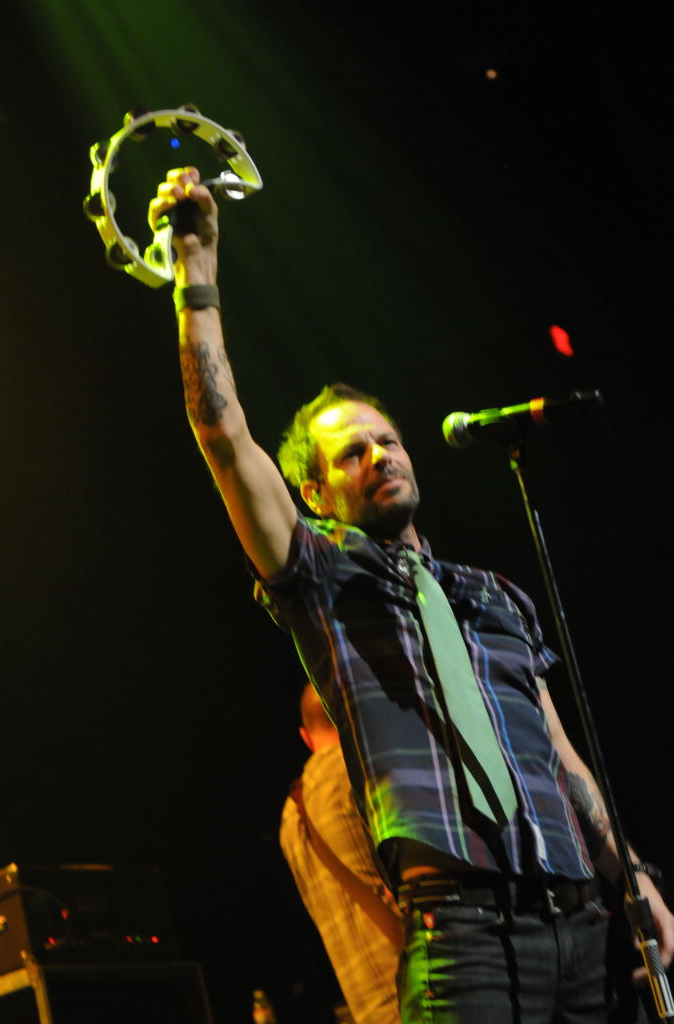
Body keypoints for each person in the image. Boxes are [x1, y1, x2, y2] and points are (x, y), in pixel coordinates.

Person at [148, 166, 674, 1023]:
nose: (379, 456)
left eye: (387, 441)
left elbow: (560, 752)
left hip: (580, 921)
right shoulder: (321, 575)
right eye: (352, 453)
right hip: (462, 927)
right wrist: (196, 277)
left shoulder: (493, 595)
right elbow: (221, 432)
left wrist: (634, 877)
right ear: (316, 492)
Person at [280, 682, 402, 1024]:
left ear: (306, 737)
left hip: (369, 1010)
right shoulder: (363, 770)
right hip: (428, 993)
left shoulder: (291, 816)